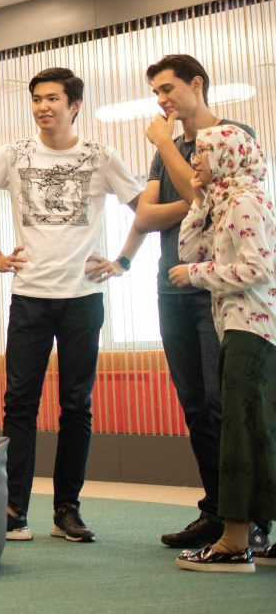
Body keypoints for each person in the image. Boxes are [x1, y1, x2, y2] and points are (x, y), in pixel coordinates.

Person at [0, 66, 142, 544]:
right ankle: (13, 509)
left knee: (76, 406)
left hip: (83, 298)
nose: (42, 107)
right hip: (30, 299)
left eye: (52, 99)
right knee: (19, 403)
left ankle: (67, 510)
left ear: (74, 105)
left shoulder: (100, 156)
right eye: (37, 99)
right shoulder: (13, 154)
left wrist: (122, 260)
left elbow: (142, 208)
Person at [131, 54, 259, 550]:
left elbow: (205, 197)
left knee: (223, 403)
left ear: (197, 84)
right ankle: (216, 510)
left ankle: (246, 518)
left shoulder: (231, 135)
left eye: (168, 89)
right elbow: (145, 216)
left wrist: (168, 148)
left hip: (217, 290)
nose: (161, 100)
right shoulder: (171, 152)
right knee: (195, 407)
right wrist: (192, 193)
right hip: (172, 288)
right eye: (156, 93)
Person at [169, 124, 276, 572]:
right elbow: (188, 250)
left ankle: (233, 541)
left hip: (251, 329)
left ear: (227, 157)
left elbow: (257, 268)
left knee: (240, 433)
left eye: (203, 152)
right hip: (241, 328)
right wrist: (197, 202)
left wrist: (196, 276)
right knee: (259, 431)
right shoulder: (225, 201)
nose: (195, 159)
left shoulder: (244, 202)